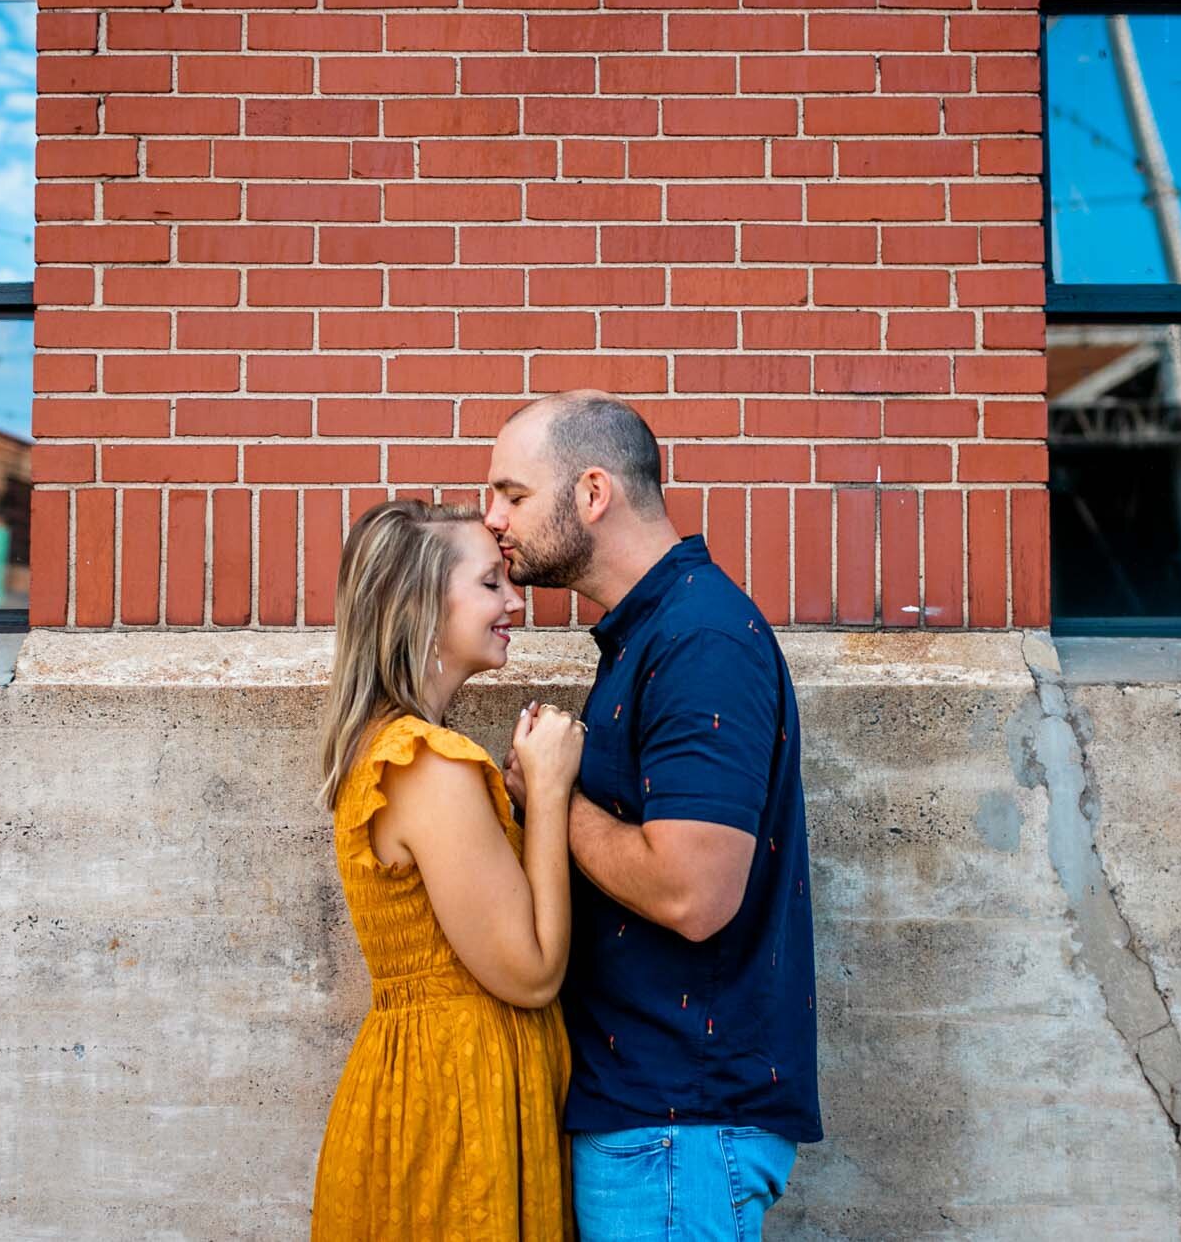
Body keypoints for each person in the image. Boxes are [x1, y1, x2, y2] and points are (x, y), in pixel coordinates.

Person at [486, 392, 822, 1242]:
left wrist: (552, 800)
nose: (492, 518)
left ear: (593, 492)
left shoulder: (700, 639)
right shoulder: (655, 635)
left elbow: (693, 891)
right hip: (658, 1123)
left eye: (512, 494)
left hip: (679, 1128)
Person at [310, 498, 587, 1240]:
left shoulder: (389, 748)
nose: (515, 601)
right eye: (491, 583)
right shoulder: (425, 761)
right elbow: (531, 971)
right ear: (420, 606)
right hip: (456, 1101)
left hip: (425, 1088)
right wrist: (553, 791)